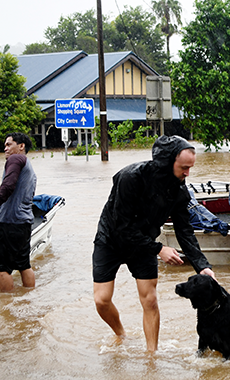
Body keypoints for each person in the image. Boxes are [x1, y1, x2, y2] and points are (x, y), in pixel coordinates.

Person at [92, 136, 215, 352]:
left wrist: (202, 265)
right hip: (111, 239)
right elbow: (123, 227)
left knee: (150, 301)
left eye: (190, 168)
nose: (188, 174)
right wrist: (160, 249)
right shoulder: (130, 177)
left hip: (145, 242)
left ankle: (152, 356)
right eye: (184, 168)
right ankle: (121, 334)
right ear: (167, 162)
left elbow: (184, 230)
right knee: (102, 300)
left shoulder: (179, 190)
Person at [0, 133, 38, 293]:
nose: (5, 148)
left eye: (9, 144)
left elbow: (7, 185)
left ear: (21, 146)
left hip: (10, 222)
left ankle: (6, 308)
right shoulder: (28, 165)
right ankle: (28, 298)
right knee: (23, 265)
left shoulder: (15, 159)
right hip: (24, 222)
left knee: (1, 268)